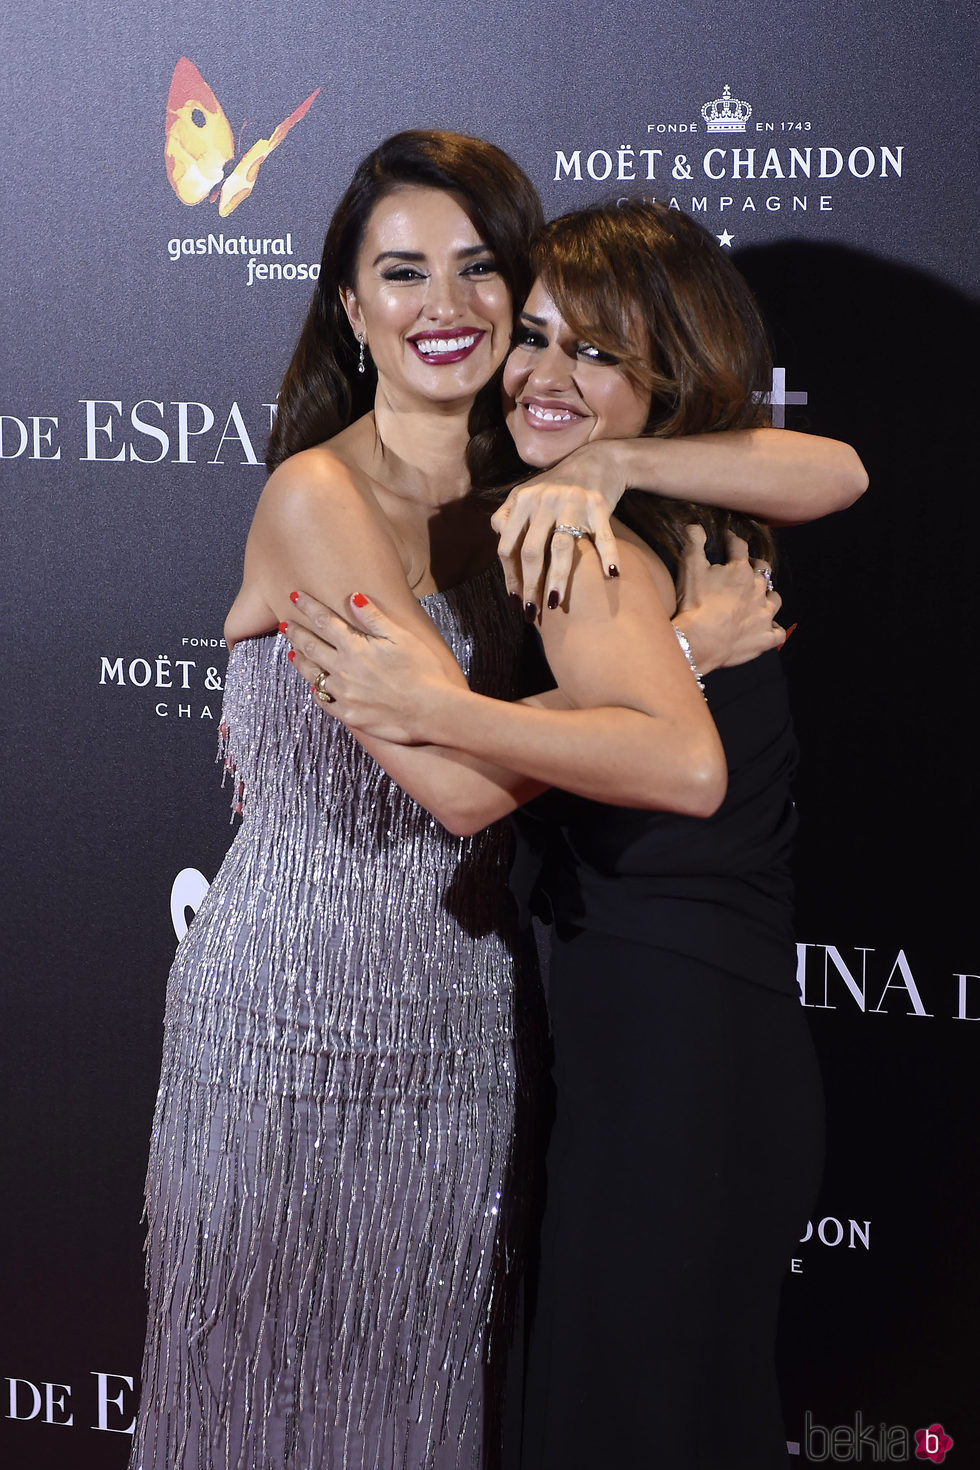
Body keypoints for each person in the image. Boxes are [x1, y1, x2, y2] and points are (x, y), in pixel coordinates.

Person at [131, 126, 862, 1470]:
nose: (447, 306)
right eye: (401, 272)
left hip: (477, 1020)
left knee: (439, 1413)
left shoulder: (539, 478)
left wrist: (618, 467)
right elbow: (462, 787)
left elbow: (835, 469)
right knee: (280, 1406)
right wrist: (681, 662)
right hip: (300, 1017)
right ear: (351, 308)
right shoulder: (317, 491)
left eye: (480, 272)